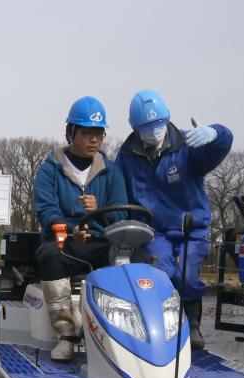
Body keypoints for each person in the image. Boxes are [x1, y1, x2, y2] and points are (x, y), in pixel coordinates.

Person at [115, 89, 233, 350]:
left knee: (187, 276)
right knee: (162, 274)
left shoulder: (187, 147)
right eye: (147, 127)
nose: (154, 130)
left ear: (167, 119)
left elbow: (219, 147)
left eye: (159, 124)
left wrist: (216, 134)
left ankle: (192, 324)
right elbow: (119, 192)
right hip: (154, 230)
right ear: (135, 128)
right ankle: (165, 327)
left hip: (191, 226)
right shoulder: (126, 156)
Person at [34, 96, 128, 361]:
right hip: (64, 241)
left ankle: (117, 333)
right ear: (70, 133)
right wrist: (68, 229)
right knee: (49, 256)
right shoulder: (49, 169)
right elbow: (46, 210)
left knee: (129, 260)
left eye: (99, 133)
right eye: (87, 133)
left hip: (100, 241)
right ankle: (66, 333)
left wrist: (97, 210)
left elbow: (120, 213)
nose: (94, 140)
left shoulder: (113, 172)